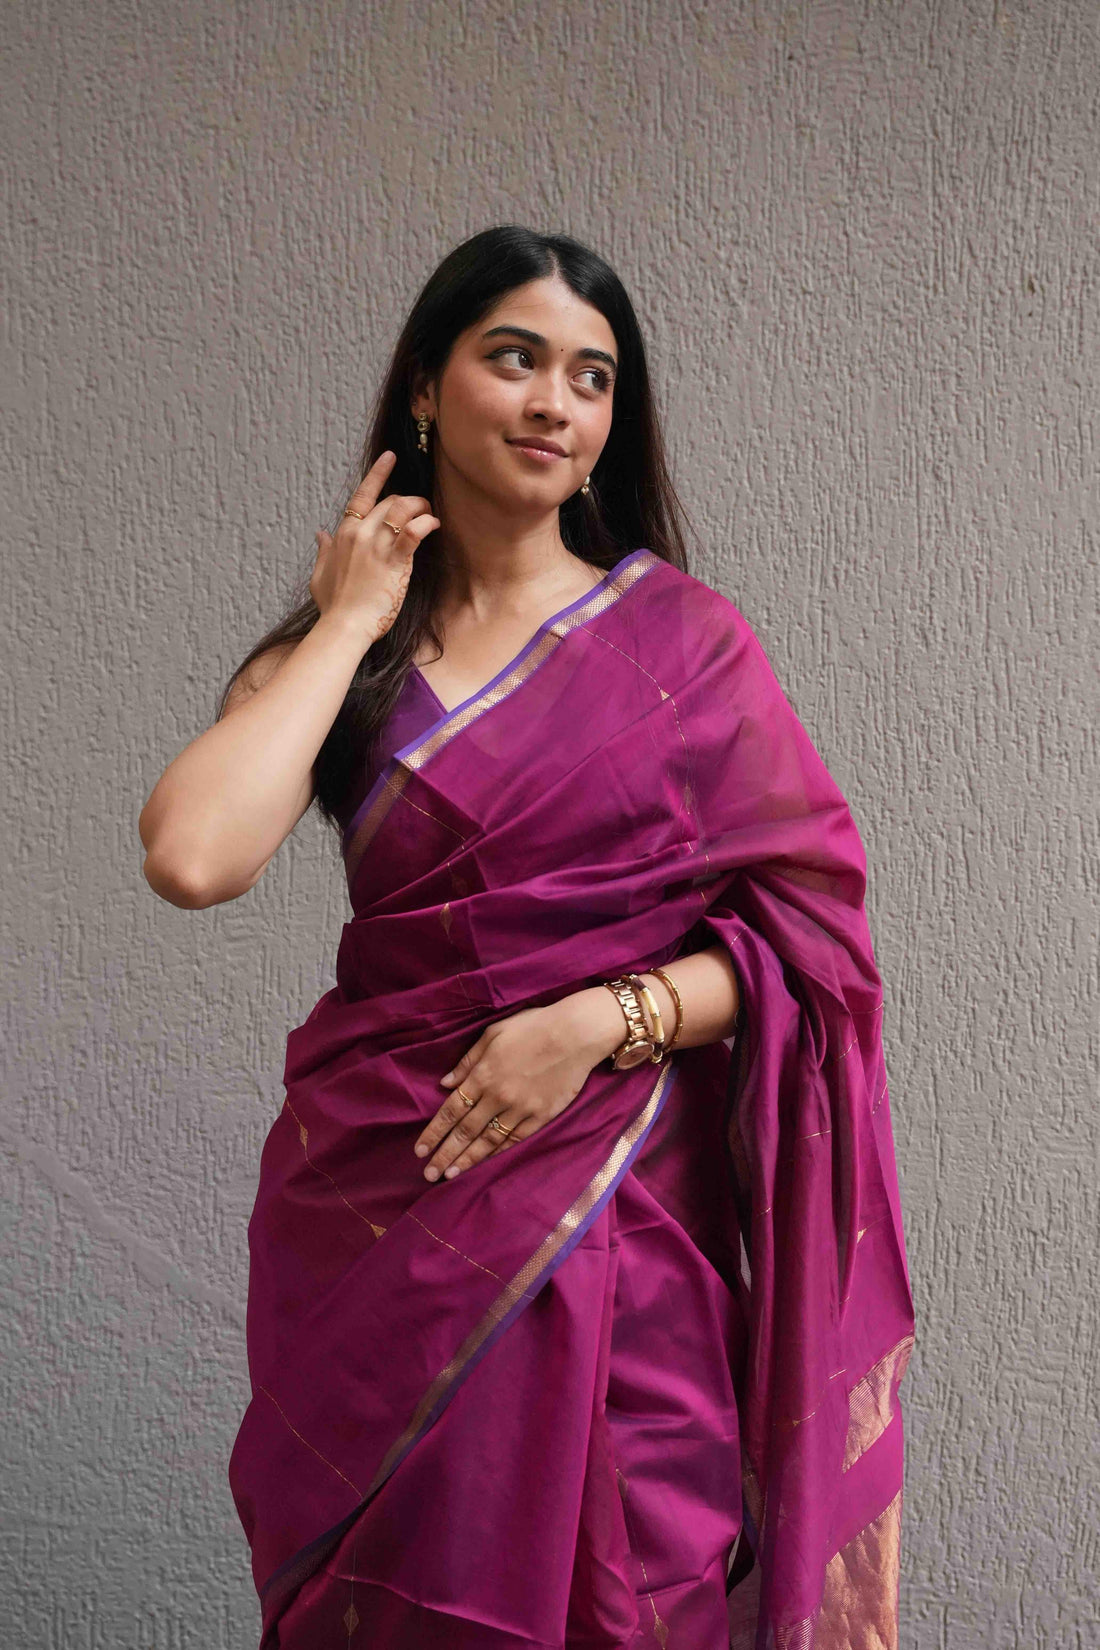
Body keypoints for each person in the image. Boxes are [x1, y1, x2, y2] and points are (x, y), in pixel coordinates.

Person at [139, 225, 916, 1649]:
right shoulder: (346, 657)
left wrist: (602, 1021)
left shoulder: (684, 647)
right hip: (383, 1212)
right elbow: (194, 856)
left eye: (593, 376)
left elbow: (819, 947)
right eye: (516, 358)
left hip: (630, 1229)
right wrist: (349, 619)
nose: (557, 402)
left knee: (640, 1591)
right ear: (425, 387)